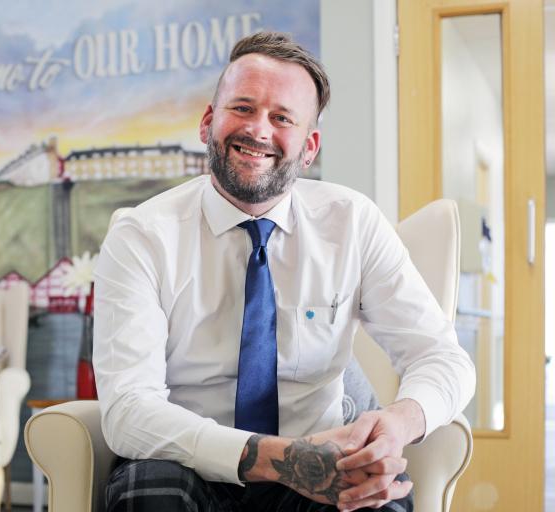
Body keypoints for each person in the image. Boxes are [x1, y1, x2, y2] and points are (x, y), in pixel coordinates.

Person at [93, 31, 475, 512]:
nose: (258, 130)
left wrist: (400, 420)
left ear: (309, 147)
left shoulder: (352, 223)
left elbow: (443, 357)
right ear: (208, 121)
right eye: (243, 107)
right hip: (189, 462)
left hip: (323, 465)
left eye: (282, 118)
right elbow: (128, 410)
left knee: (375, 502)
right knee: (148, 490)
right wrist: (280, 458)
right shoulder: (141, 235)